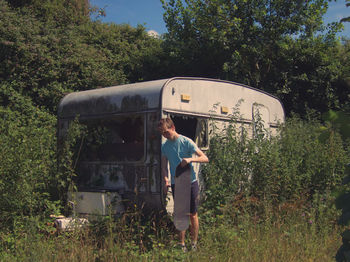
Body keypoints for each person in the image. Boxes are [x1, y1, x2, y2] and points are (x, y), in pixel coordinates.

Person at [158, 118, 209, 251]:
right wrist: (166, 180)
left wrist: (190, 159)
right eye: (163, 134)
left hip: (190, 182)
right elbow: (164, 166)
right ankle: (181, 245)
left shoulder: (186, 141)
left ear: (173, 128)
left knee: (192, 214)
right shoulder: (165, 146)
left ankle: (194, 243)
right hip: (177, 183)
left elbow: (205, 158)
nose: (165, 135)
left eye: (166, 132)